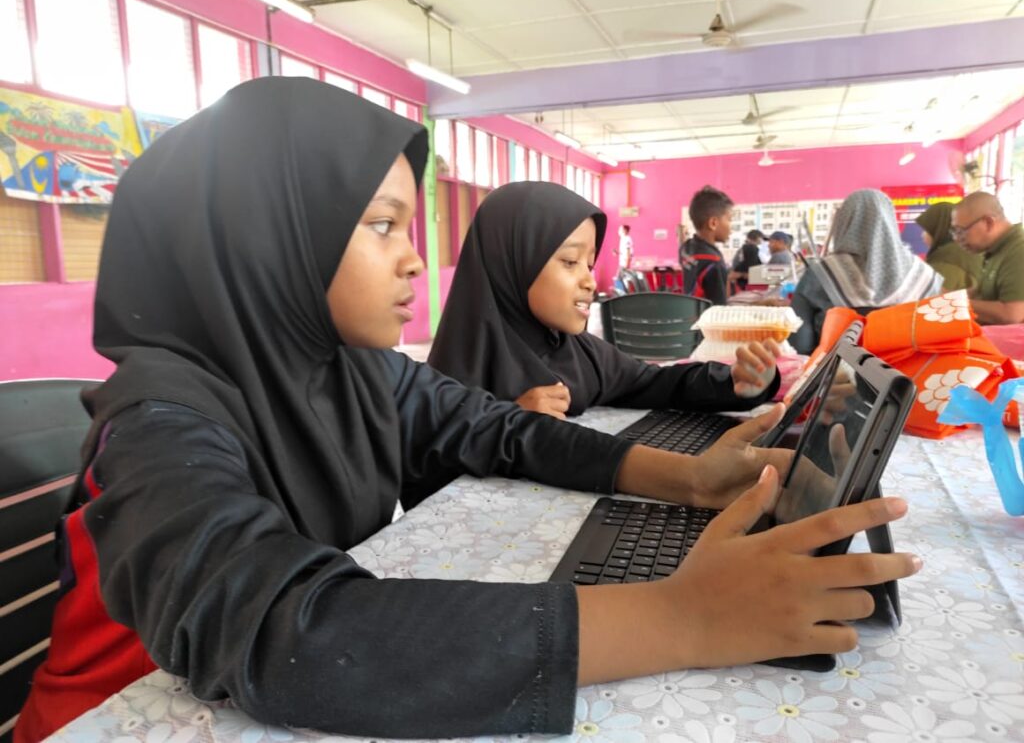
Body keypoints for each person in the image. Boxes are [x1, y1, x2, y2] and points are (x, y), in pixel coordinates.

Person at [16, 79, 921, 742]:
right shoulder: (155, 427)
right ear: (266, 235)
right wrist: (682, 618)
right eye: (381, 225)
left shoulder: (352, 371)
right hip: (116, 721)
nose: (414, 259)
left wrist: (690, 479)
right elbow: (291, 632)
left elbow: (500, 429)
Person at [428, 181, 781, 419]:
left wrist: (733, 382)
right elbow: (428, 468)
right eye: (570, 262)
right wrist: (504, 421)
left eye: (590, 263)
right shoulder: (450, 377)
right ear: (512, 263)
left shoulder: (578, 353)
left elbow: (653, 381)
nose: (589, 281)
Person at [790, 188, 943, 354]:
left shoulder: (820, 274)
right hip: (907, 369)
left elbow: (799, 345)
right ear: (890, 222)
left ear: (844, 223)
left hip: (834, 368)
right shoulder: (925, 277)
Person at [951, 191, 1024, 324]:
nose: (957, 239)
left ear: (988, 222)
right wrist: (947, 297)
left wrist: (955, 304)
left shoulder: (1019, 250)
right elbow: (984, 293)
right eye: (954, 232)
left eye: (961, 231)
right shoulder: (996, 249)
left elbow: (1013, 314)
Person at [916, 202, 983, 292]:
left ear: (939, 229)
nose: (922, 235)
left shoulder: (948, 259)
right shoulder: (968, 251)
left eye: (927, 230)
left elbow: (932, 296)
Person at [682, 185, 733, 305]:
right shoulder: (714, 262)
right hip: (705, 316)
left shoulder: (686, 248)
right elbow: (719, 309)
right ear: (713, 223)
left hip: (688, 312)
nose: (731, 227)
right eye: (729, 219)